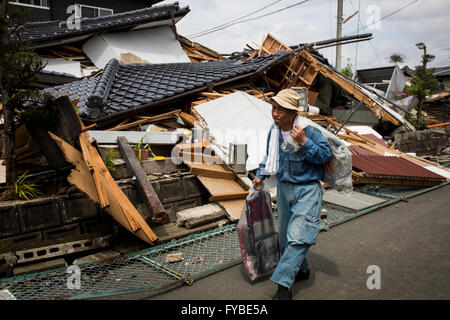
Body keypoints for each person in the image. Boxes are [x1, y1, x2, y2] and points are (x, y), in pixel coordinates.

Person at [253, 89, 332, 300]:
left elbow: (325, 155)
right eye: (273, 108)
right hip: (284, 188)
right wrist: (260, 175)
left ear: (291, 112)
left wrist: (305, 141)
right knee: (286, 238)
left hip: (307, 189)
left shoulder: (308, 130)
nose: (275, 113)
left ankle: (283, 285)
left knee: (299, 237)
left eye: (280, 109)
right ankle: (302, 269)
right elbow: (270, 155)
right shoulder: (275, 131)